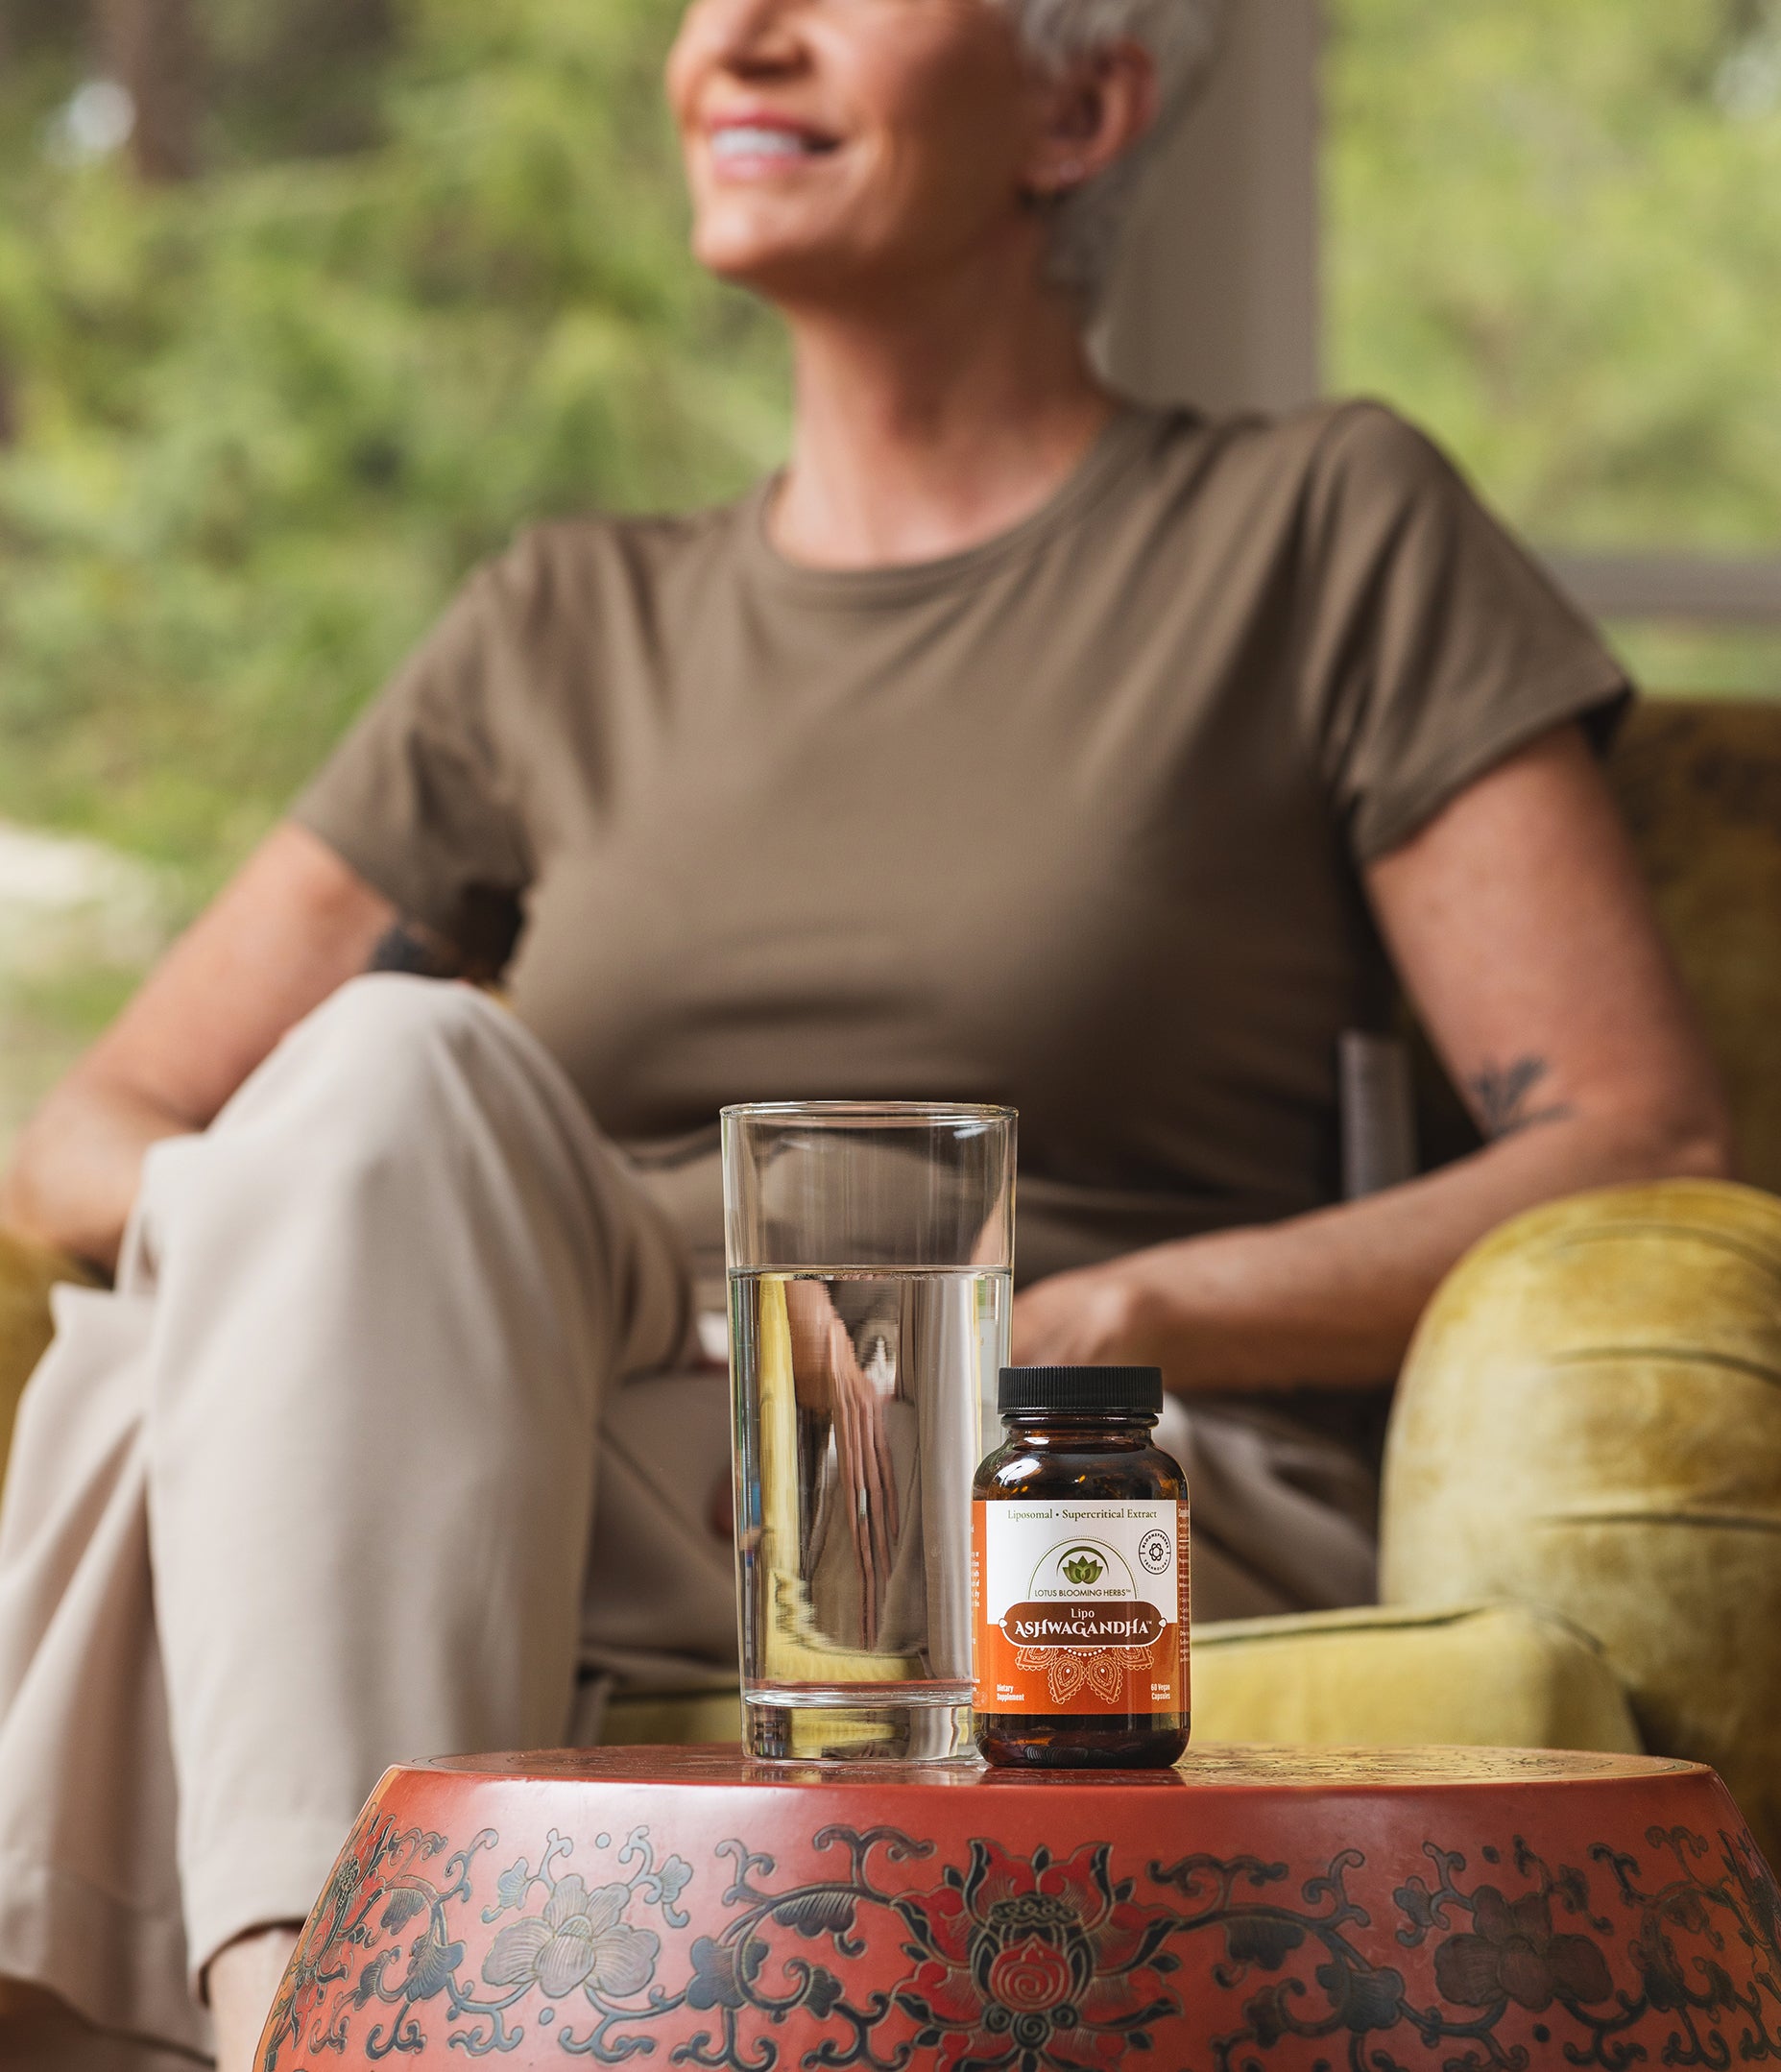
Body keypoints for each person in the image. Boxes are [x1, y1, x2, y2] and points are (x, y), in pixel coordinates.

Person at [0, 0, 1733, 2065]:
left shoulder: (1318, 529)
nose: (733, 40)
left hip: (1034, 1462)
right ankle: (323, 2011)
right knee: (384, 1078)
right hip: (557, 1400)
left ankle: (303, 2016)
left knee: (156, 1408)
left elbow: (1637, 1136)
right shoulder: (562, 621)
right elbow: (92, 1127)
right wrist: (343, 1269)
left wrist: (1100, 1322)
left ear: (1077, 106)